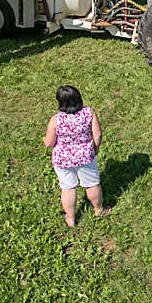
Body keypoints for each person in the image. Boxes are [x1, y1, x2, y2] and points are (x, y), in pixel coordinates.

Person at [44, 85, 110, 227]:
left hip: (63, 160)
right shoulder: (88, 113)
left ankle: (71, 218)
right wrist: (95, 148)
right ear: (79, 98)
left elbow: (49, 143)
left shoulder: (56, 120)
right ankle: (99, 210)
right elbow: (97, 135)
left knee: (68, 188)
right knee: (92, 184)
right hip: (86, 156)